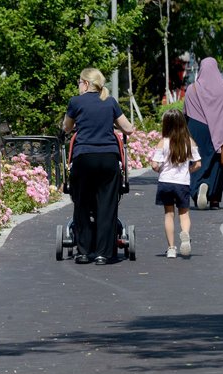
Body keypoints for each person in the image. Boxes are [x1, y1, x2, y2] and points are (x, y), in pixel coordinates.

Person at [62, 68, 135, 265]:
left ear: (86, 83)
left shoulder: (75, 102)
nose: (78, 86)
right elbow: (128, 128)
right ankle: (104, 253)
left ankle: (84, 251)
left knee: (83, 203)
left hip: (83, 158)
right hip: (108, 159)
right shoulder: (109, 102)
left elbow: (66, 128)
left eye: (79, 82)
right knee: (107, 205)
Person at [184, 57, 223, 210]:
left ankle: (198, 187)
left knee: (196, 158)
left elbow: (186, 110)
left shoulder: (192, 89)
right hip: (219, 129)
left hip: (196, 128)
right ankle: (214, 199)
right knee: (217, 163)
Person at [151, 109, 201, 259]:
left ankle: (171, 248)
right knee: (184, 213)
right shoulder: (189, 142)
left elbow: (154, 165)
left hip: (165, 182)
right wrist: (189, 170)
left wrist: (159, 169)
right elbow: (198, 164)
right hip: (182, 183)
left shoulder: (163, 142)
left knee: (169, 214)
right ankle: (185, 233)